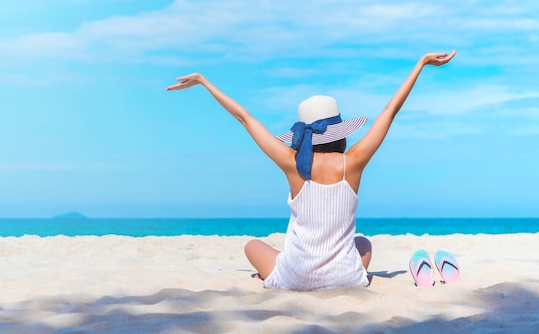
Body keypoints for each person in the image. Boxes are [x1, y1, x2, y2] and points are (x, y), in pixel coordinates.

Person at [166, 50, 456, 291]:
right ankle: (337, 273)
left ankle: (273, 274)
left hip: (295, 278)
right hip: (345, 279)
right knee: (364, 242)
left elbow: (245, 118)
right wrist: (420, 64)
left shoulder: (293, 163)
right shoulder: (353, 162)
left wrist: (204, 81)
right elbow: (390, 112)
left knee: (252, 246)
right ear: (340, 132)